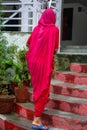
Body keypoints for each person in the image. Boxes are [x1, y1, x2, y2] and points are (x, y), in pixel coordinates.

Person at [26, 8, 59, 130]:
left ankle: (39, 106)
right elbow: (55, 49)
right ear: (52, 18)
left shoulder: (36, 29)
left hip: (33, 61)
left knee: (37, 85)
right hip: (43, 63)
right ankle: (36, 121)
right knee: (43, 87)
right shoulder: (54, 30)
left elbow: (28, 44)